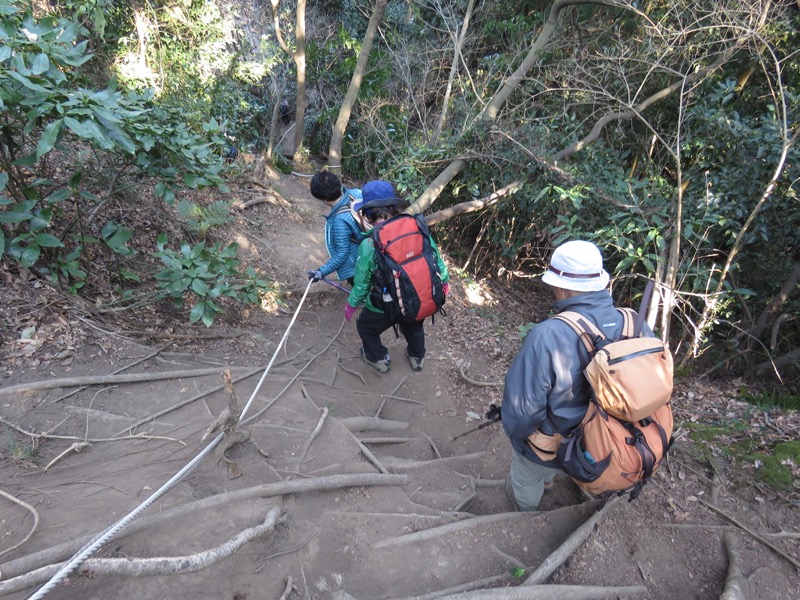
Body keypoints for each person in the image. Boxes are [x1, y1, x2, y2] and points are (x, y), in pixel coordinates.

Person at [500, 240, 651, 511]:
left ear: (560, 286)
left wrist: (517, 435)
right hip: (609, 444)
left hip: (552, 449)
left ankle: (523, 515)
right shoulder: (634, 323)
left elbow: (522, 414)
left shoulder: (548, 335)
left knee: (526, 472)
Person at [343, 180, 449, 374]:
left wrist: (351, 304)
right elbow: (436, 260)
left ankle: (379, 358)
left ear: (367, 214)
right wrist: (444, 282)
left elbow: (362, 284)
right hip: (416, 299)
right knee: (414, 326)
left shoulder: (369, 244)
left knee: (366, 327)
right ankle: (417, 356)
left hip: (381, 307)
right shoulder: (418, 229)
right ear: (395, 208)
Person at [307, 171, 364, 286]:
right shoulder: (357, 194)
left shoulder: (340, 220)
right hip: (375, 254)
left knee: (366, 297)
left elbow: (342, 254)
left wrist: (320, 272)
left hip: (359, 267)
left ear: (324, 199)